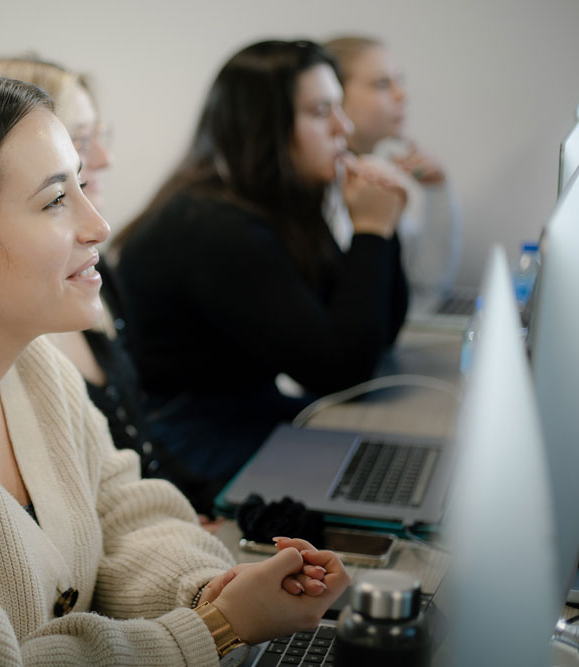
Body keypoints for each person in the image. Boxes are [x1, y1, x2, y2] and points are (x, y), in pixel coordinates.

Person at [0, 75, 349, 664]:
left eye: (82, 185)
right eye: (56, 200)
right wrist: (211, 630)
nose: (99, 225)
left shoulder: (34, 365)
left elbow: (127, 516)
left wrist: (207, 587)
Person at [115, 40, 409, 491]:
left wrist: (381, 230)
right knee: (384, 474)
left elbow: (375, 332)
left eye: (339, 109)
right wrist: (371, 232)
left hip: (244, 413)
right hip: (189, 440)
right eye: (320, 112)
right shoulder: (214, 226)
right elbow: (342, 369)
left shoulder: (275, 204)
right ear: (264, 128)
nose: (342, 127)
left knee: (396, 456)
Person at [0, 55, 218, 514]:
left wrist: (214, 507)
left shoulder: (96, 279)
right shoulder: (4, 341)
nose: (103, 159)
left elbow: (137, 457)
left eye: (98, 136)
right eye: (80, 140)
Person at [324, 35, 462, 296]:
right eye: (382, 84)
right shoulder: (325, 182)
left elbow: (428, 279)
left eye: (400, 81)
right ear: (333, 94)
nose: (402, 95)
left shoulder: (372, 171)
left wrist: (438, 191)